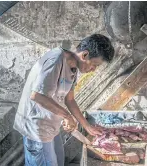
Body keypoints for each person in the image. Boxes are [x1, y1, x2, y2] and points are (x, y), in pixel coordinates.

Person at [13, 34, 115, 166]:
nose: (93, 70)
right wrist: (67, 116)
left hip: (50, 124)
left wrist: (87, 126)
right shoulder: (56, 60)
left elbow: (70, 99)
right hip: (36, 126)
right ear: (84, 55)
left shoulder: (73, 68)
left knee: (59, 161)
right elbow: (37, 96)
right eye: (94, 65)